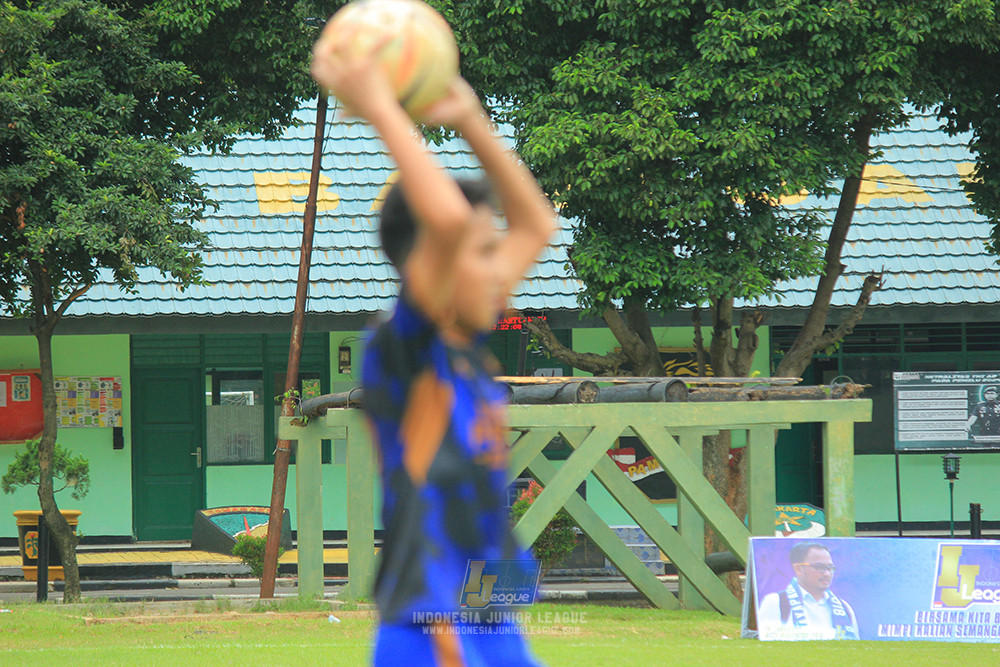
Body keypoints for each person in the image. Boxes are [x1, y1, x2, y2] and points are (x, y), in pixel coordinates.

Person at [311, 27, 556, 667]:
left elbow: (538, 224)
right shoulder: (402, 347)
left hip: (488, 597)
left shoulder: (469, 346)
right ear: (431, 265)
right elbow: (446, 222)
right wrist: (381, 106)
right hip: (429, 615)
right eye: (481, 253)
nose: (500, 267)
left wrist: (472, 120)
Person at [758, 542, 859, 640]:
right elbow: (768, 643)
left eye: (830, 568)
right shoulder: (776, 602)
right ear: (799, 569)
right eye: (820, 567)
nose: (827, 574)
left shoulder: (844, 607)